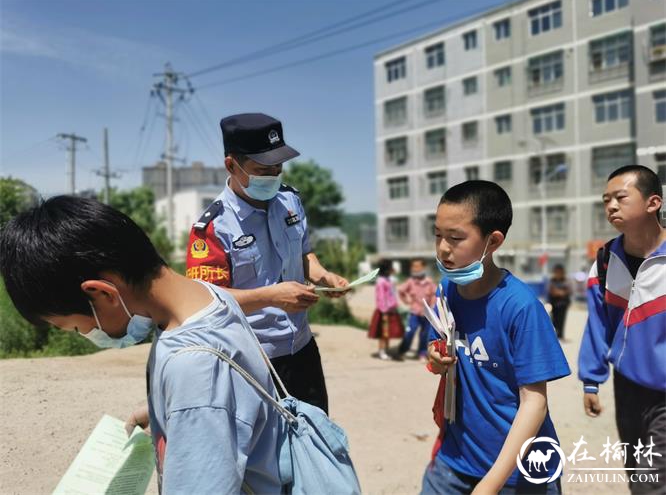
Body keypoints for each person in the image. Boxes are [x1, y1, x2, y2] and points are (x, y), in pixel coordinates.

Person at [0, 196, 282, 493]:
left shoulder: (194, 370)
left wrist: (190, 403)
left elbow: (204, 389)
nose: (81, 333)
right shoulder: (204, 295)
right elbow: (228, 393)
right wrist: (163, 407)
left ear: (102, 294)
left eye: (72, 327)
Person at [185, 113, 348, 415]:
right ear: (231, 165)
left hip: (302, 350)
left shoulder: (290, 201)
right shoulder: (213, 228)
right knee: (266, 458)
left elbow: (304, 254)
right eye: (262, 170)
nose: (273, 176)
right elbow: (206, 303)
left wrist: (324, 276)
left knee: (319, 444)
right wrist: (271, 297)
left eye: (278, 167)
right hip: (252, 360)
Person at [424, 180, 570, 494]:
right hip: (454, 461)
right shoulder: (446, 291)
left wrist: (491, 483)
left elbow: (535, 402)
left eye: (456, 238)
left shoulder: (521, 307)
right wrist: (435, 358)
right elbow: (434, 349)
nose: (443, 248)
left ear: (493, 241)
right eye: (437, 235)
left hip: (518, 473)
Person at [578, 165, 665, 495]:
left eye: (620, 197)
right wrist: (591, 380)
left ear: (652, 202)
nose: (611, 205)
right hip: (626, 387)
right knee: (638, 475)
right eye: (605, 200)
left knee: (652, 482)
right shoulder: (604, 262)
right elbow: (598, 325)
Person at [397, 258, 437, 360]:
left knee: (424, 334)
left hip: (427, 314)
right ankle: (402, 350)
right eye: (413, 266)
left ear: (423, 267)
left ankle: (422, 353)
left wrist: (432, 306)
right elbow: (401, 291)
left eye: (417, 266)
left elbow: (434, 295)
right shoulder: (411, 282)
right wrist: (406, 301)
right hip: (414, 312)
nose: (415, 268)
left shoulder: (429, 282)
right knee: (410, 331)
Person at [367, 259, 404, 361]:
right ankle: (381, 351)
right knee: (383, 333)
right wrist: (384, 311)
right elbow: (380, 297)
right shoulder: (381, 282)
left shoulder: (389, 280)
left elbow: (392, 293)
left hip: (391, 309)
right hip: (384, 311)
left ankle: (386, 350)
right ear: (387, 269)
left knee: (389, 332)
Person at [547, 264, 571, 339]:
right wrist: (560, 292)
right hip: (553, 303)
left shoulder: (566, 281)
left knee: (562, 319)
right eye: (557, 272)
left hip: (563, 304)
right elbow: (551, 291)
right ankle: (554, 334)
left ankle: (560, 334)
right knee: (553, 319)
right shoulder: (552, 281)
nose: (558, 274)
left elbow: (568, 291)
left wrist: (559, 292)